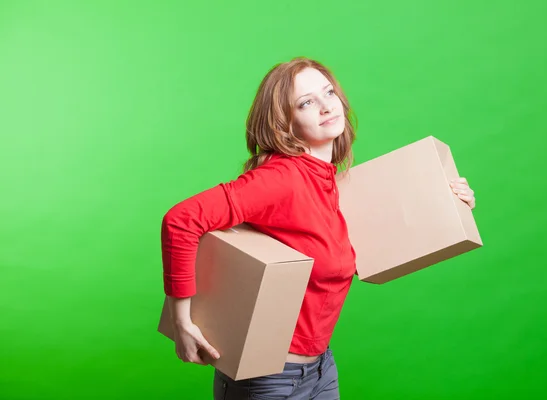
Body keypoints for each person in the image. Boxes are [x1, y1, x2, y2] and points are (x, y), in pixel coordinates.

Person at [160, 57, 477, 400]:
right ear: (285, 122)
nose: (326, 106)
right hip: (269, 380)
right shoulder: (282, 179)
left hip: (322, 370)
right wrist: (183, 321)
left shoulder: (329, 182)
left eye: (329, 92)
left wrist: (451, 202)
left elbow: (383, 237)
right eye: (307, 102)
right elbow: (181, 219)